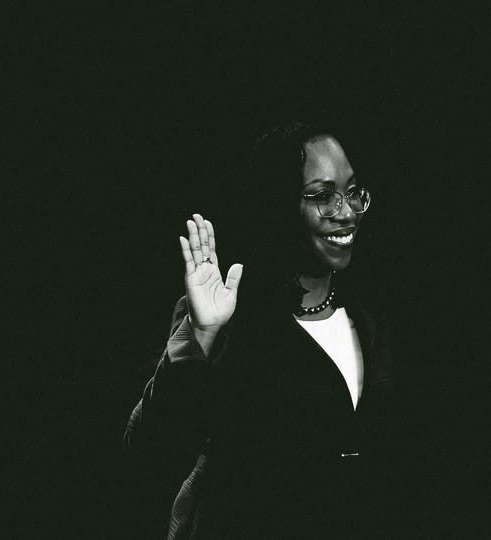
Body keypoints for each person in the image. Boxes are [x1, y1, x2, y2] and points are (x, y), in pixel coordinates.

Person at [123, 122, 401, 538]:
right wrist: (200, 334)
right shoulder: (231, 318)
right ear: (280, 204)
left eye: (352, 191)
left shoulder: (370, 320)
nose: (346, 212)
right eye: (323, 196)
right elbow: (149, 452)